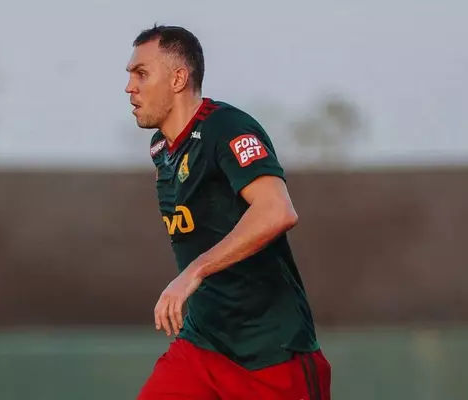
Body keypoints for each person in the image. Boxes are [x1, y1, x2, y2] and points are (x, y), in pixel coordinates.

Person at [125, 24, 331, 400]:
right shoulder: (161, 150)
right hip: (202, 346)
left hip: (272, 352)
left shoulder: (226, 127)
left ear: (178, 79)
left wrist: (194, 271)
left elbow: (277, 211)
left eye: (141, 73)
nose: (129, 87)